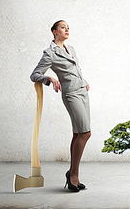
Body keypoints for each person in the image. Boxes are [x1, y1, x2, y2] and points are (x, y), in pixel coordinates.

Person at [30, 20, 91, 192]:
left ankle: (73, 174)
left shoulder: (71, 49)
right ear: (54, 31)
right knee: (86, 133)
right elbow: (35, 74)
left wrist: (84, 82)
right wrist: (48, 78)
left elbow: (76, 69)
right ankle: (73, 175)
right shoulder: (50, 53)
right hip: (71, 93)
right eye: (63, 27)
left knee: (78, 133)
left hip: (83, 92)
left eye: (68, 27)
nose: (67, 29)